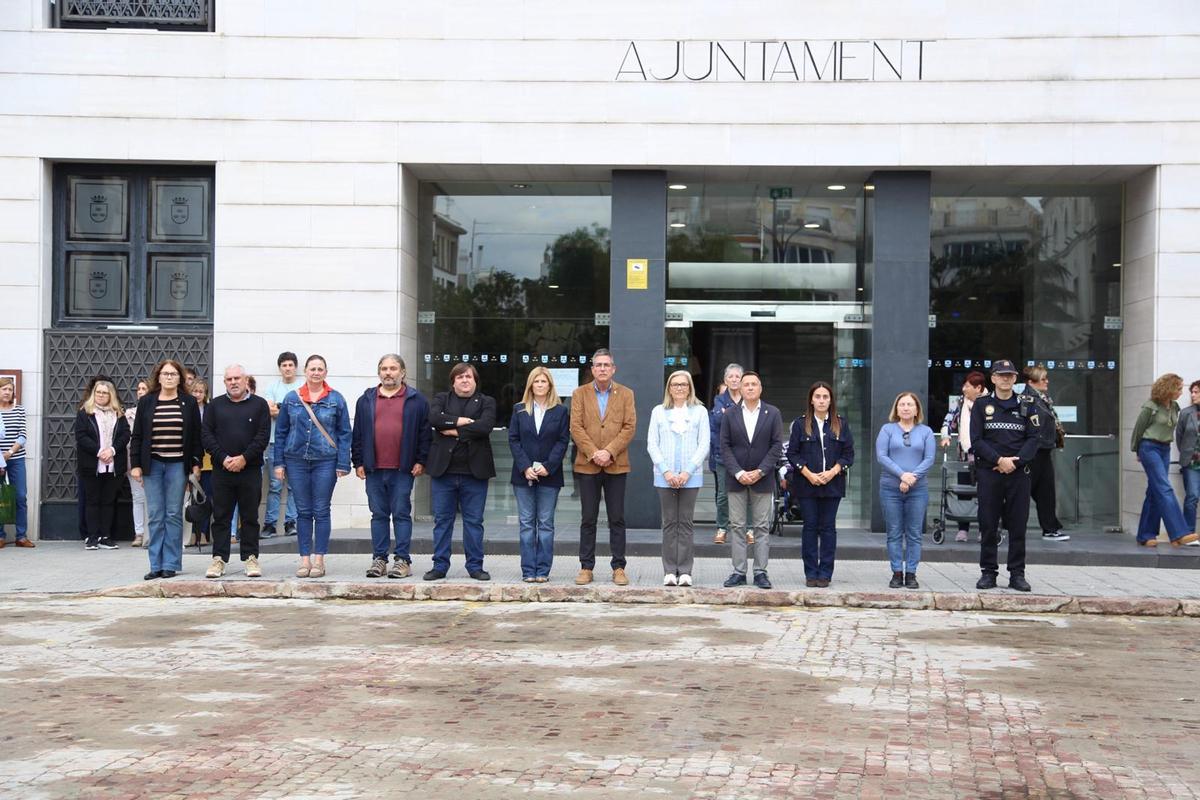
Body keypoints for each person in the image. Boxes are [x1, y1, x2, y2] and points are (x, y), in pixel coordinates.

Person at [353, 354, 431, 579]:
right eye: (384, 368)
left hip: (403, 469)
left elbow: (425, 434)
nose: (388, 372)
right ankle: (379, 560)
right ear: (379, 372)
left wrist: (421, 460)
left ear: (402, 372)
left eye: (393, 368)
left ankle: (402, 560)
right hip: (373, 469)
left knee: (401, 514)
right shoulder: (366, 399)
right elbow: (357, 433)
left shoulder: (416, 400)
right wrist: (358, 461)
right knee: (378, 515)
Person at [273, 354, 352, 578]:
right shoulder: (291, 398)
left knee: (321, 510)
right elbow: (281, 433)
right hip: (295, 459)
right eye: (312, 369)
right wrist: (279, 463)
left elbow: (345, 433)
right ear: (305, 372)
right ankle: (304, 559)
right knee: (303, 511)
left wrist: (343, 462)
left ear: (325, 372)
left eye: (320, 369)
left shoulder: (336, 399)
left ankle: (319, 559)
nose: (316, 372)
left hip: (326, 461)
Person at [971, 359, 1041, 592]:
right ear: (992, 378)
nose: (1005, 379)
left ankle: (1017, 574)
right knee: (988, 524)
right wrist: (999, 460)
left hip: (1019, 474)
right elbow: (976, 441)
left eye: (1009, 375)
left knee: (1018, 525)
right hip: (990, 473)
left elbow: (1033, 438)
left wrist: (1016, 462)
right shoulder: (981, 406)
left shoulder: (1027, 404)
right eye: (1001, 375)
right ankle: (988, 572)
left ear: (1015, 379)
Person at [131, 360, 203, 580]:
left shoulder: (189, 403)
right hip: (152, 465)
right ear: (158, 377)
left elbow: (195, 436)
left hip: (177, 466)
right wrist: (135, 465)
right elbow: (138, 436)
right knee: (155, 514)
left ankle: (170, 563)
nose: (169, 377)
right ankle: (156, 564)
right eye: (166, 374)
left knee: (173, 514)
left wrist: (196, 463)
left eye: (173, 374)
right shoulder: (147, 402)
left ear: (180, 378)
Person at [570, 348, 637, 586]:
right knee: (588, 518)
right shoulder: (580, 393)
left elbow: (629, 427)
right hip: (588, 465)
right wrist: (593, 453)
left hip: (615, 465)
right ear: (592, 369)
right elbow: (576, 427)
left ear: (613, 368)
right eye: (598, 365)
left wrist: (608, 451)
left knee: (616, 518)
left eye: (606, 365)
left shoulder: (626, 394)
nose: (602, 369)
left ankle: (618, 567)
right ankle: (586, 567)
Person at [425, 362, 497, 581]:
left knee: (474, 522)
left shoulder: (487, 401)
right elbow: (435, 419)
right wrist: (463, 422)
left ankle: (475, 566)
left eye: (469, 377)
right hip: (443, 472)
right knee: (442, 521)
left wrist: (453, 430)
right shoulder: (441, 399)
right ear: (453, 381)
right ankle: (439, 565)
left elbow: (485, 427)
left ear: (475, 381)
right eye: (460, 377)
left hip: (474, 473)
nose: (465, 380)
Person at [201, 365, 271, 579]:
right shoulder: (215, 405)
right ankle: (218, 559)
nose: (233, 382)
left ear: (245, 380)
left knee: (250, 516)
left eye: (237, 378)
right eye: (229, 379)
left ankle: (250, 558)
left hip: (249, 469)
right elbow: (206, 435)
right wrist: (223, 458)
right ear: (224, 382)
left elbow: (262, 436)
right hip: (222, 470)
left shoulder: (259, 405)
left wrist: (244, 458)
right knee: (221, 516)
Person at [719, 372, 784, 589]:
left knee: (761, 527)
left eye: (753, 384)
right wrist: (738, 472)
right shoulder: (730, 414)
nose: (749, 388)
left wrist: (760, 471)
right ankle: (738, 571)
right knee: (737, 526)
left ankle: (760, 572)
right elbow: (724, 447)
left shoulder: (772, 413)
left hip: (762, 479)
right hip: (736, 479)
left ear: (760, 388)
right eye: (746, 384)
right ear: (740, 388)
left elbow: (776, 446)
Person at [788, 381, 854, 588]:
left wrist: (833, 471)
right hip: (807, 485)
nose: (822, 400)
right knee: (810, 527)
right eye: (818, 396)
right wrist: (808, 474)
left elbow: (848, 454)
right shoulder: (801, 424)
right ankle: (811, 573)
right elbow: (792, 453)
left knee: (827, 529)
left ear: (831, 400)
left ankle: (825, 573)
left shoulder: (841, 424)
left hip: (832, 485)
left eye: (825, 397)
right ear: (811, 399)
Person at [508, 367, 571, 583]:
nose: (541, 385)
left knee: (545, 523)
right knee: (526, 523)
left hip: (549, 475)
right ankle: (528, 570)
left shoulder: (560, 411)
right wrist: (525, 466)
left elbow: (563, 441)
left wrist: (548, 466)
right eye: (537, 381)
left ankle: (543, 570)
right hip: (523, 474)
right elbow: (514, 440)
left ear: (550, 385)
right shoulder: (519, 409)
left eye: (544, 381)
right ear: (531, 385)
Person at [647, 370, 709, 587]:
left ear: (690, 387)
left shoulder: (700, 412)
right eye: (675, 384)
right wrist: (666, 471)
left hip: (690, 477)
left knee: (686, 523)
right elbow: (652, 444)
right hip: (665, 477)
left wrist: (686, 472)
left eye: (684, 384)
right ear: (669, 388)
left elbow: (704, 445)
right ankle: (669, 571)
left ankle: (685, 571)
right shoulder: (658, 412)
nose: (679, 388)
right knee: (669, 523)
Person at [876, 392, 935, 589]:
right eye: (902, 404)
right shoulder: (887, 430)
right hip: (890, 489)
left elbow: (929, 459)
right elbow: (882, 456)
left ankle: (911, 573)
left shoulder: (926, 432)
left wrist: (912, 478)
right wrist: (902, 475)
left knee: (914, 533)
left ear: (917, 408)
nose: (906, 408)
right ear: (897, 408)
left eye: (910, 404)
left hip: (918, 490)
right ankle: (896, 572)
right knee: (893, 532)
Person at [1131, 372, 1196, 547]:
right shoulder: (1150, 407)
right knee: (1164, 488)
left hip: (1165, 448)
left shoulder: (1174, 407)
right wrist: (1137, 450)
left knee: (1154, 491)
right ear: (1169, 388)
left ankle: (1145, 535)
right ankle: (1179, 533)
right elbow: (1138, 430)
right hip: (1149, 447)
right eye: (1179, 388)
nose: (1182, 392)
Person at [74, 380, 131, 551]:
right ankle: (92, 537)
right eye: (98, 392)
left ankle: (106, 536)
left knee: (108, 501)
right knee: (92, 500)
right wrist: (99, 452)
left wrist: (112, 450)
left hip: (113, 464)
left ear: (110, 395)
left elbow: (125, 435)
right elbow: (81, 436)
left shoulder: (118, 413)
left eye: (105, 393)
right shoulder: (85, 412)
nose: (101, 395)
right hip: (92, 463)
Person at [939, 371, 988, 542]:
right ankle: (963, 529)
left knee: (986, 494)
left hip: (986, 457)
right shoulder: (961, 403)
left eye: (967, 386)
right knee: (964, 494)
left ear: (978, 388)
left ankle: (985, 528)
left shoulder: (990, 403)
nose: (963, 389)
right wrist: (946, 436)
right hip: (964, 456)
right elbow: (948, 421)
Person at [1023, 365, 1069, 542]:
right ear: (1031, 382)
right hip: (1034, 450)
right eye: (1043, 379)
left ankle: (1050, 528)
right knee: (1025, 491)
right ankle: (1009, 525)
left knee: (1046, 491)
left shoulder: (1043, 398)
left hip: (1044, 449)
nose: (1047, 381)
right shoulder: (1028, 400)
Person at [263, 352, 302, 538]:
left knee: (294, 486)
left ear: (295, 367)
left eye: (290, 365)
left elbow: (301, 412)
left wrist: (280, 408)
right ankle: (269, 524)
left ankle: (290, 522)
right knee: (275, 485)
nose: (287, 368)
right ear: (280, 368)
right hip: (274, 443)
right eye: (284, 365)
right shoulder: (272, 387)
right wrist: (287, 408)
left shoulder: (301, 388)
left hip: (296, 445)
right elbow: (269, 410)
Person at [708, 363, 743, 545]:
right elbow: (718, 419)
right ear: (725, 380)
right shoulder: (719, 400)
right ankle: (722, 528)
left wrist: (729, 414)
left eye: (737, 376)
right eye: (731, 377)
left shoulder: (748, 398)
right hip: (724, 455)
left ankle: (748, 528)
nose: (734, 379)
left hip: (746, 455)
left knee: (747, 492)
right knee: (723, 494)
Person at [0, 377, 32, 547]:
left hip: (16, 459)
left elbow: (23, 435)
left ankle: (21, 536)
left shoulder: (19, 410)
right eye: (4, 389)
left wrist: (10, 452)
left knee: (20, 496)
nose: (7, 392)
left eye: (10, 389)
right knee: (0, 496)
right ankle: (0, 536)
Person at [186, 379, 213, 548]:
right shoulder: (186, 409)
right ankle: (192, 534)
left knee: (205, 497)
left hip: (209, 460)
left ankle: (203, 532)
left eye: (200, 391)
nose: (197, 395)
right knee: (191, 499)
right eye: (194, 391)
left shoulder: (210, 410)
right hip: (190, 459)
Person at [1176, 380, 1200, 540]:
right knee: (1192, 496)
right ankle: (1189, 533)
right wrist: (1187, 453)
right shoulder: (1186, 413)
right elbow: (1179, 437)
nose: (1192, 395)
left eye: (1196, 392)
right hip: (1191, 463)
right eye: (1192, 392)